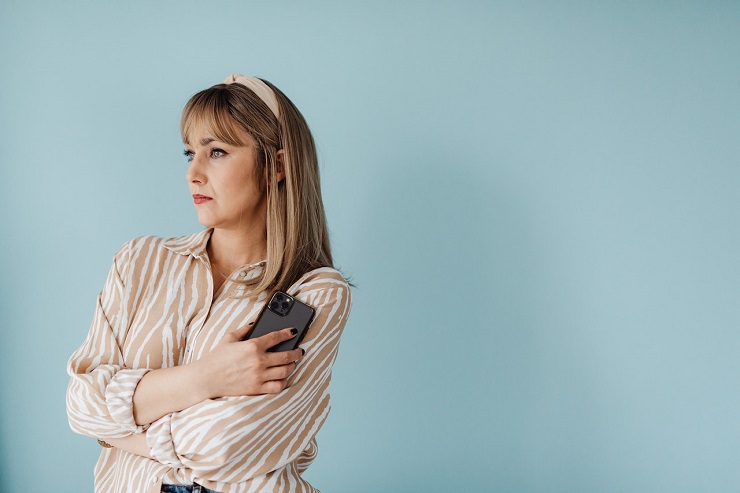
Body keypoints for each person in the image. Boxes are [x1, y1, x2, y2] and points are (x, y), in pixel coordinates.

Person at [66, 74, 352, 493]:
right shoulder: (139, 261)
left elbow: (224, 444)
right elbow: (80, 403)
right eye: (189, 153)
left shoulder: (314, 294)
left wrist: (121, 432)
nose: (193, 174)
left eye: (216, 151)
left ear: (278, 166)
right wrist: (206, 377)